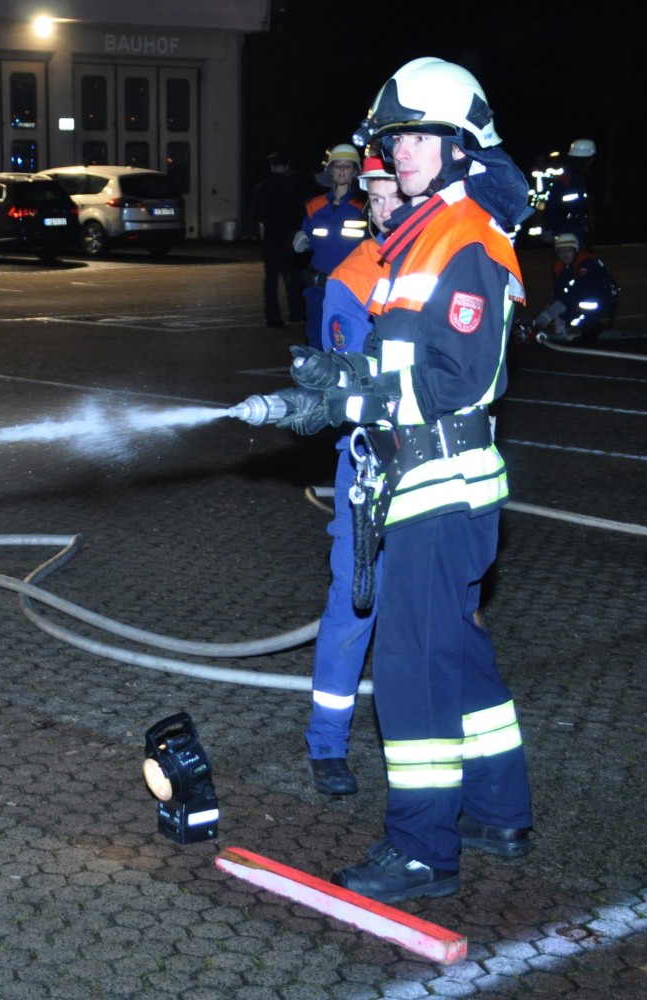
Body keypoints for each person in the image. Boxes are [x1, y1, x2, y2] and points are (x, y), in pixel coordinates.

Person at [260, 56, 536, 903]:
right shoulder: (417, 235)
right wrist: (334, 382)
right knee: (457, 651)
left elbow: (458, 380)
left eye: (417, 137)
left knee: (411, 669)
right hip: (425, 484)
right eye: (392, 138)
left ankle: (421, 850)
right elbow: (401, 360)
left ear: (459, 148)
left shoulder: (466, 240)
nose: (398, 152)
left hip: (440, 485)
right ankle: (498, 810)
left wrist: (351, 399)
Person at [304, 154, 405, 796]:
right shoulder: (354, 276)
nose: (387, 209)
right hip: (371, 462)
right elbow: (351, 380)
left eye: (399, 196)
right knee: (354, 601)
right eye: (379, 197)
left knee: (437, 609)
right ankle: (327, 744)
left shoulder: (448, 260)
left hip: (439, 467)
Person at [294, 144, 368, 349]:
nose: (342, 170)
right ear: (330, 170)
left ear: (355, 172)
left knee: (349, 341)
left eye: (347, 166)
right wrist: (302, 241)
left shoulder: (366, 206)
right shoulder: (314, 206)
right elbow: (308, 239)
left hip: (352, 288)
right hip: (319, 288)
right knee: (317, 340)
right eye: (337, 165)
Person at [526, 231, 619, 342]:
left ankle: (591, 327)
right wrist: (551, 307)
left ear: (575, 250)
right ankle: (577, 329)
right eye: (561, 251)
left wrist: (552, 312)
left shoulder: (586, 262)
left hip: (603, 297)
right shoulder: (560, 267)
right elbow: (559, 290)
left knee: (572, 305)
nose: (564, 255)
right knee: (564, 307)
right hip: (584, 297)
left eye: (568, 250)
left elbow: (578, 288)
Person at [252, 151, 308, 328]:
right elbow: (300, 211)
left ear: (271, 166)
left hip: (270, 237)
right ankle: (296, 313)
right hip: (289, 237)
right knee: (292, 277)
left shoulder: (262, 188)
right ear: (286, 166)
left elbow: (256, 213)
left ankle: (272, 316)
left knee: (271, 279)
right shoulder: (291, 186)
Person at [542, 137, 595, 246]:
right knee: (570, 253)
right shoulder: (568, 179)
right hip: (565, 227)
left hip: (574, 225)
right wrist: (547, 228)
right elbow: (552, 203)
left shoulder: (580, 178)